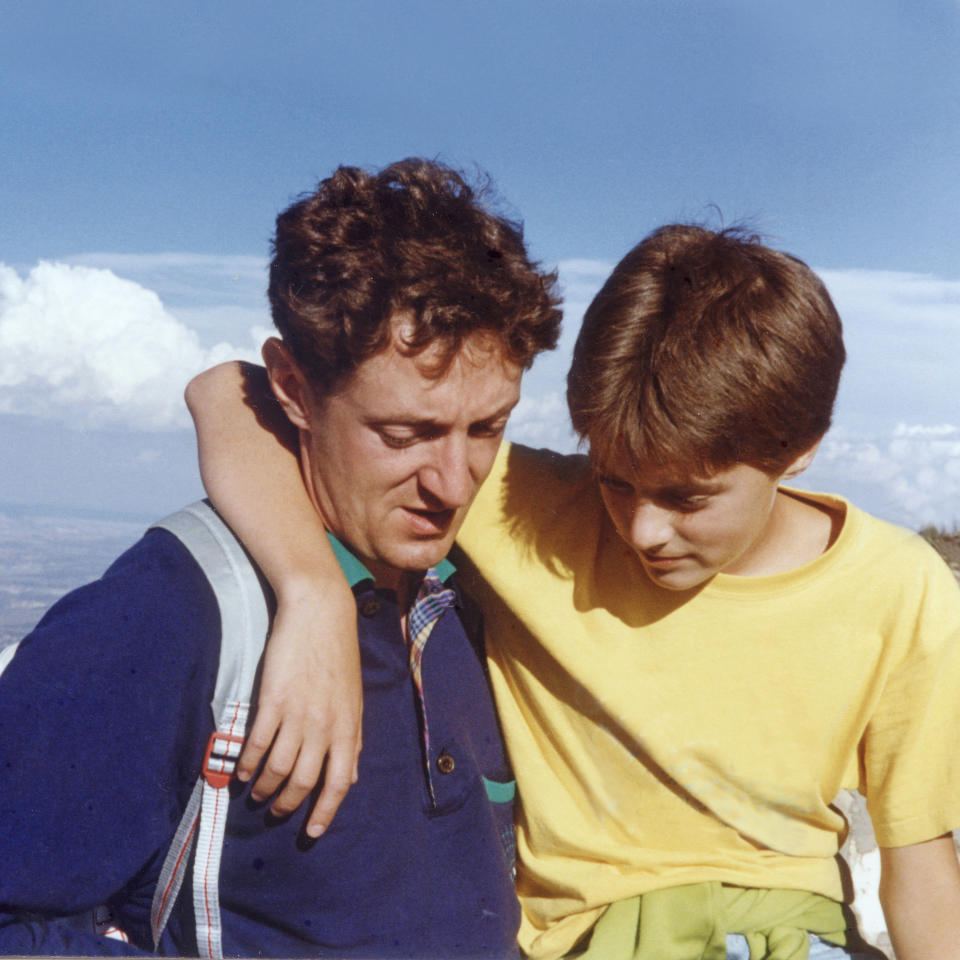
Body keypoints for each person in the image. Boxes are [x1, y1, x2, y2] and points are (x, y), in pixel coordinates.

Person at [186, 223, 960, 960]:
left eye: (687, 499)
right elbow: (228, 392)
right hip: (586, 939)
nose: (644, 529)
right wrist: (312, 593)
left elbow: (920, 862)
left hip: (788, 931)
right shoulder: (533, 508)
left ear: (798, 451)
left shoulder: (900, 589)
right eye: (616, 481)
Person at [0, 158, 562, 957]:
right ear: (293, 388)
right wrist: (314, 592)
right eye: (404, 435)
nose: (452, 483)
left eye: (487, 429)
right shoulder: (168, 615)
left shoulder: (471, 588)